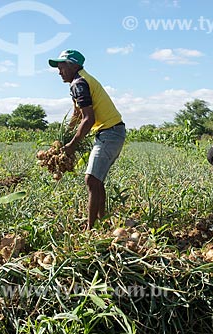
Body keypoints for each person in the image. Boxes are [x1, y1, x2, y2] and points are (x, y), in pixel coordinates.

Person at [49, 49, 126, 230]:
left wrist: (72, 145)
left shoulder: (80, 83)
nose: (59, 71)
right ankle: (102, 222)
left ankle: (91, 229)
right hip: (110, 132)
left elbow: (88, 119)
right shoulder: (78, 81)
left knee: (91, 180)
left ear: (74, 65)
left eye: (62, 66)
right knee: (96, 180)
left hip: (110, 132)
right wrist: (64, 137)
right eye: (58, 67)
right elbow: (78, 114)